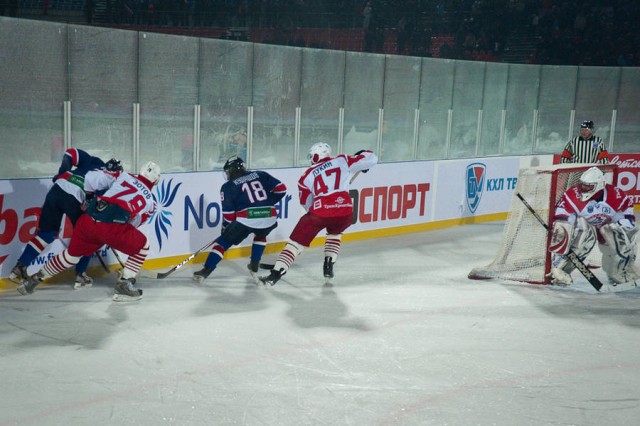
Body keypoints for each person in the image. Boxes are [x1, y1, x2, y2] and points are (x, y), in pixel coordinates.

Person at [17, 161, 161, 302]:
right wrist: (113, 235)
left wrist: (91, 196)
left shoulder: (122, 175)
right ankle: (124, 284)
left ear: (140, 172)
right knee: (142, 246)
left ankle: (35, 278)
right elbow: (134, 223)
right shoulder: (151, 203)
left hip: (88, 219)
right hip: (112, 227)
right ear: (155, 181)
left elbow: (91, 179)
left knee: (71, 256)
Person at [259, 143, 378, 286]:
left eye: (311, 156)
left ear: (317, 155)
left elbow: (306, 202)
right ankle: (329, 264)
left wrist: (318, 211)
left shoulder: (306, 175)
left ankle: (275, 274)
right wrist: (362, 153)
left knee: (295, 243)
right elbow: (372, 158)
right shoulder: (343, 160)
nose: (311, 159)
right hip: (345, 212)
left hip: (320, 212)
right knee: (335, 233)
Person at [9, 148, 122, 289]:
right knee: (88, 238)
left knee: (46, 234)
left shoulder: (95, 162)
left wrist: (62, 173)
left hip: (58, 188)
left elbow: (71, 153)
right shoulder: (113, 182)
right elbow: (99, 205)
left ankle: (20, 268)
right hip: (76, 198)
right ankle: (80, 275)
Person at [192, 156, 287, 282]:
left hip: (247, 219)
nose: (227, 174)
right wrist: (267, 203)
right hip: (270, 217)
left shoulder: (228, 186)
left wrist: (225, 228)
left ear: (231, 170)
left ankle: (206, 270)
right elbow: (282, 189)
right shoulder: (261, 174)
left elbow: (229, 215)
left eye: (227, 172)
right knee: (260, 234)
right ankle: (254, 264)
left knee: (223, 243)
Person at [548, 167, 638, 286]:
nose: (583, 188)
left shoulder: (615, 195)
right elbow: (562, 216)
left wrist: (621, 225)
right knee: (581, 236)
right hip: (585, 227)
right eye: (583, 185)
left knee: (624, 234)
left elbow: (628, 211)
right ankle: (559, 269)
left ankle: (620, 272)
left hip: (607, 227)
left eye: (588, 186)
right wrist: (565, 230)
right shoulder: (572, 195)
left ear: (599, 185)